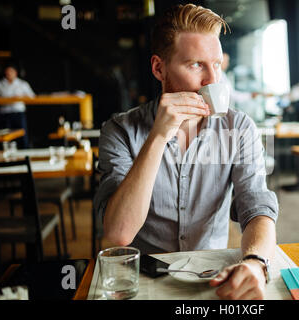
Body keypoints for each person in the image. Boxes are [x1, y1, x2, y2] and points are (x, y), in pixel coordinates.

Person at [94, 4, 278, 300]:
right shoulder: (121, 130)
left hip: (212, 279)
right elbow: (118, 235)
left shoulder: (239, 127)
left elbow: (257, 207)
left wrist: (256, 263)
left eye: (216, 64)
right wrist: (158, 137)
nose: (212, 80)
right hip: (144, 281)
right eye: (196, 65)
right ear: (159, 68)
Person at [0, 63, 35, 148]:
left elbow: (32, 97)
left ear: (15, 73)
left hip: (18, 113)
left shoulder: (22, 84)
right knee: (5, 136)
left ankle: (24, 154)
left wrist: (20, 97)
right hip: (4, 114)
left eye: (11, 71)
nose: (9, 73)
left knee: (22, 136)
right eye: (7, 71)